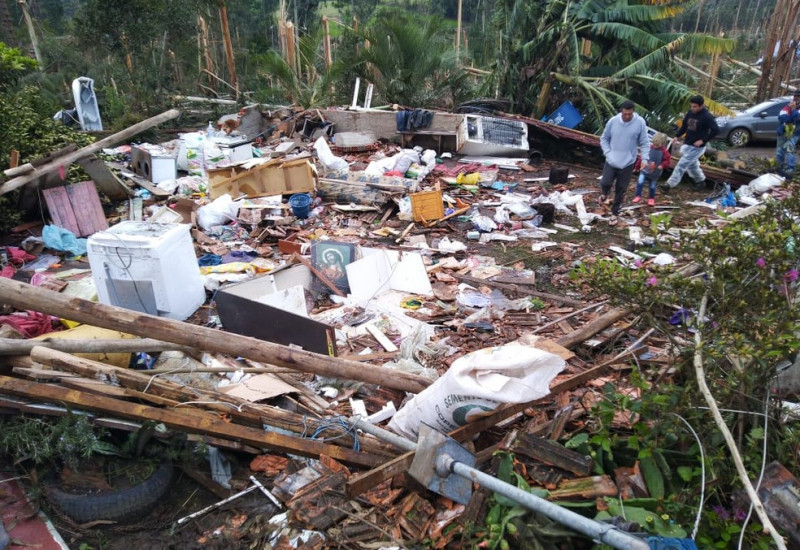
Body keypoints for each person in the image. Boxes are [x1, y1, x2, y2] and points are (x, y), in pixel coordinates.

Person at [599, 100, 651, 225]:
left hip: (628, 162)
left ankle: (614, 213)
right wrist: (608, 153)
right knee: (605, 182)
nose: (627, 116)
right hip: (611, 160)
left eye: (630, 114)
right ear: (621, 112)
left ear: (633, 112)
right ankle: (604, 194)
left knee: (621, 189)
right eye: (625, 114)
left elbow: (644, 142)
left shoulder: (640, 123)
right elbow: (604, 138)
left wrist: (645, 159)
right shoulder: (613, 121)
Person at [662, 95, 719, 192]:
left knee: (681, 165)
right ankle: (700, 181)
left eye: (695, 107)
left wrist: (703, 140)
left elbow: (716, 130)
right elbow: (684, 126)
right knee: (692, 165)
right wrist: (677, 136)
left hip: (698, 147)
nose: (692, 108)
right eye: (691, 106)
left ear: (701, 106)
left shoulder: (707, 116)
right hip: (688, 143)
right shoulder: (690, 113)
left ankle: (669, 184)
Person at [633, 133, 671, 206]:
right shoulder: (649, 148)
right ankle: (638, 196)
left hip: (655, 172)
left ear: (662, 144)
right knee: (640, 182)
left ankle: (651, 198)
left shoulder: (664, 152)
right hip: (645, 170)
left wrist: (662, 165)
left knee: (652, 186)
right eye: (654, 144)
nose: (655, 146)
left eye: (658, 145)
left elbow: (667, 161)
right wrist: (637, 167)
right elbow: (642, 157)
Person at [775, 92, 800, 179]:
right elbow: (781, 118)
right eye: (795, 96)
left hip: (793, 133)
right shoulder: (786, 106)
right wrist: (792, 117)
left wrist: (793, 110)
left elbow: (797, 119)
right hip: (782, 132)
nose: (796, 98)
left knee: (790, 151)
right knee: (779, 151)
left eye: (798, 97)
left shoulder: (793, 108)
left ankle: (790, 169)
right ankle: (779, 167)